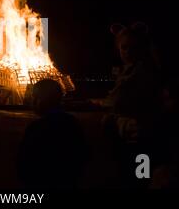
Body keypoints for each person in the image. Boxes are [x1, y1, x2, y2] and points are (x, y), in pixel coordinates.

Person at [101, 22, 163, 186]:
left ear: (142, 48)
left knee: (139, 181)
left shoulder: (144, 73)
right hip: (127, 140)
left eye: (133, 48)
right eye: (124, 48)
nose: (128, 52)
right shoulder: (128, 71)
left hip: (140, 141)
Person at [17, 79, 87, 189]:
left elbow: (25, 161)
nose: (32, 102)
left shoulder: (37, 127)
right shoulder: (73, 123)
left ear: (43, 100)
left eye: (35, 97)